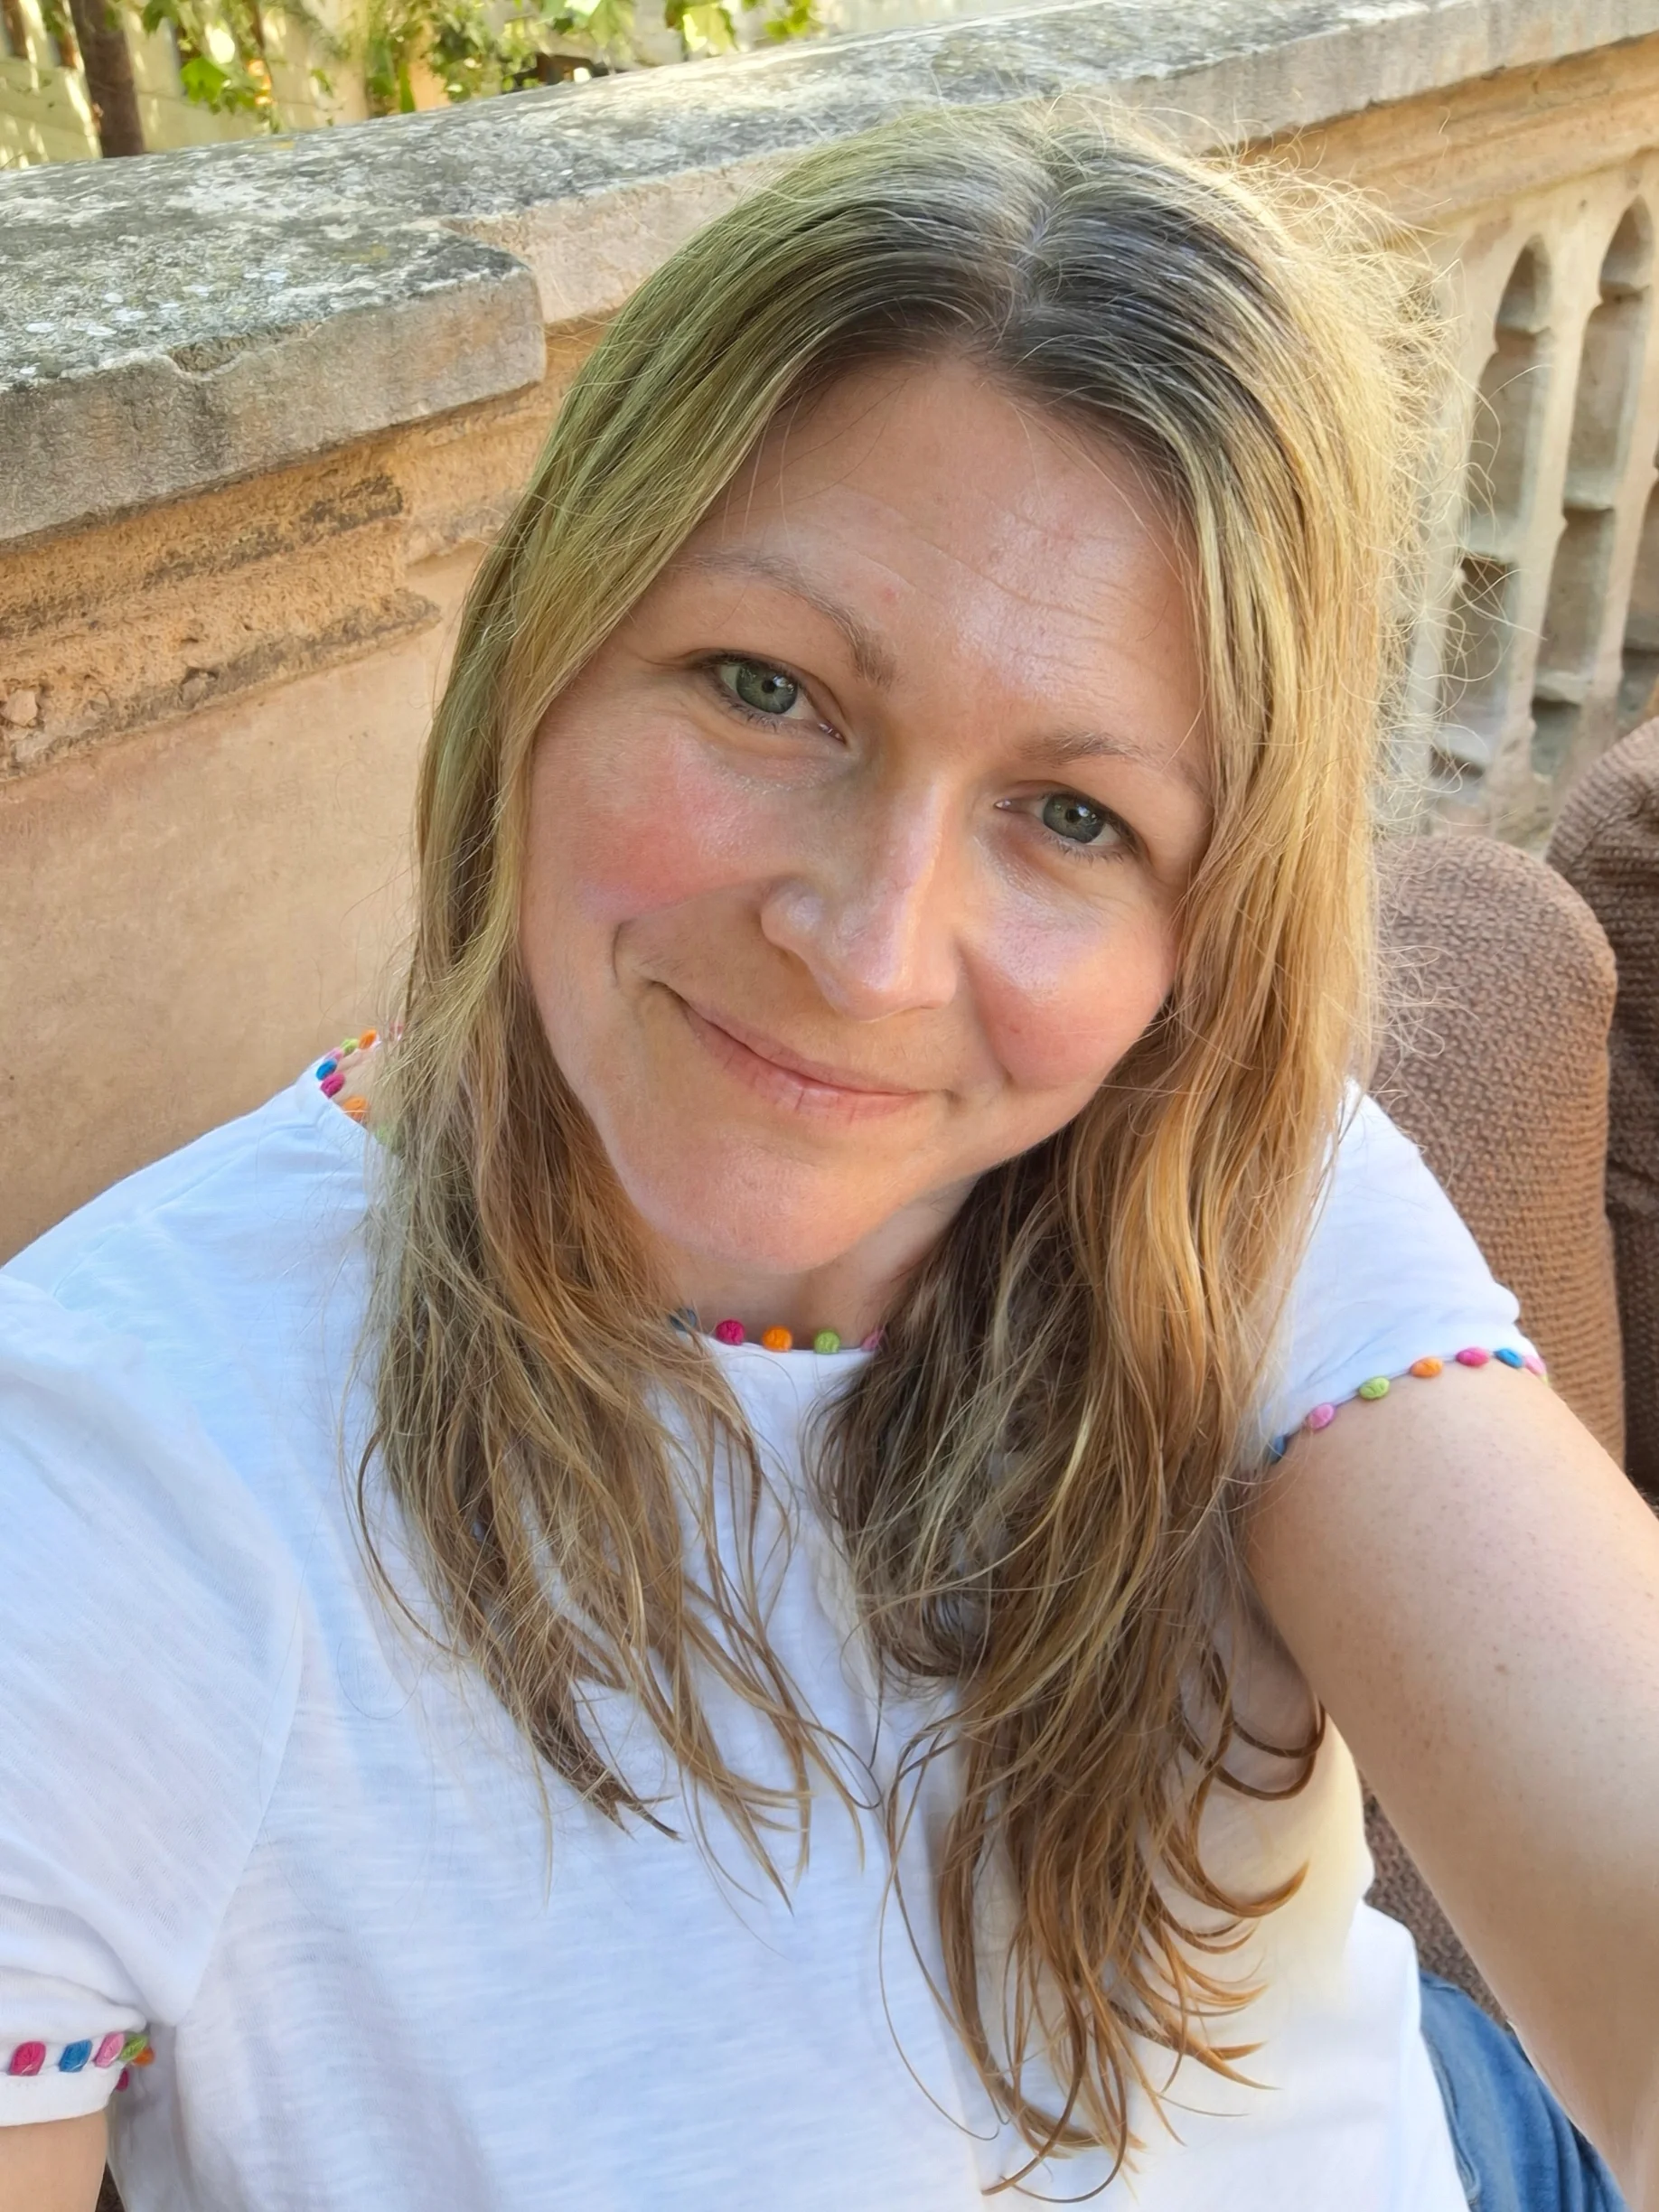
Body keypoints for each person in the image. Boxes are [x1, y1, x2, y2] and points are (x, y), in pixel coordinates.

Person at [0, 106, 1654, 2212]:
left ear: (1200, 929)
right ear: (541, 647)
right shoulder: (98, 1472)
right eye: (767, 690)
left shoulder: (1229, 1182)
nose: (866, 951)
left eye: (1075, 818)